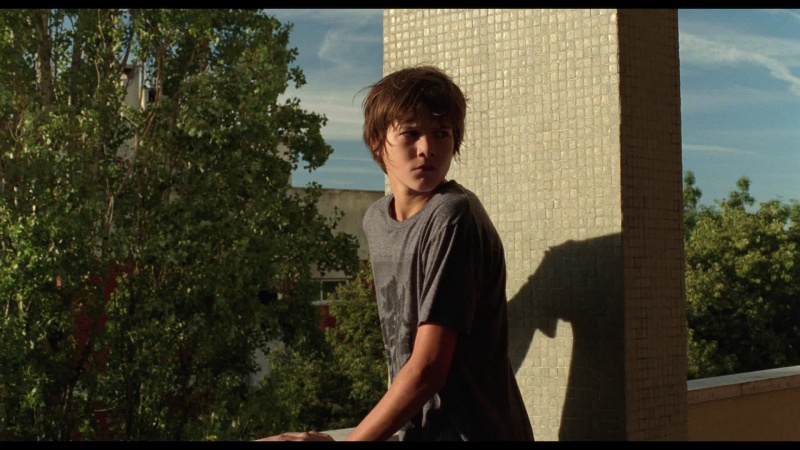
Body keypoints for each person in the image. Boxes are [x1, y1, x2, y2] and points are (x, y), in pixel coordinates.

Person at [259, 65, 534, 441]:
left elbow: (428, 369)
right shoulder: (377, 220)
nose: (427, 148)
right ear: (377, 143)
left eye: (442, 133)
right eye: (411, 133)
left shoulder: (453, 215)